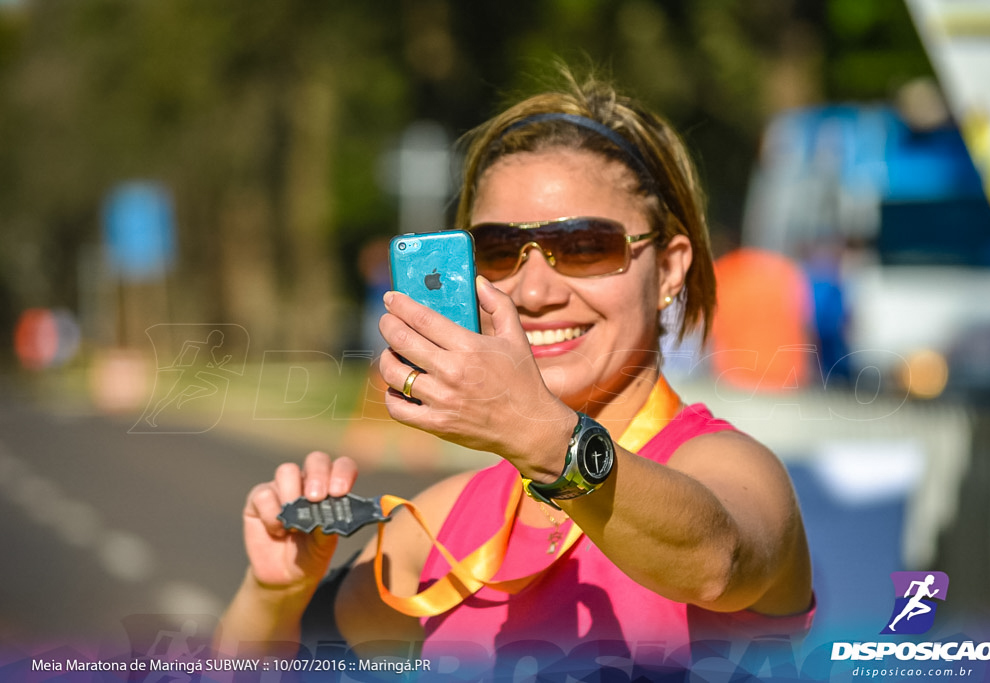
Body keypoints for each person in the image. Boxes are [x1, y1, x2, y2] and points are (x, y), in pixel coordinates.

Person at [216, 67, 814, 677]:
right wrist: (274, 596)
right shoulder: (449, 518)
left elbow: (715, 564)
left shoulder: (734, 470)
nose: (532, 290)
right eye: (499, 250)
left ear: (668, 271)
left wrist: (537, 434)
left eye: (584, 246)